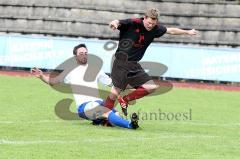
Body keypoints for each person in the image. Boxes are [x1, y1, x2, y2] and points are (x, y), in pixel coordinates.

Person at [105, 8, 198, 116]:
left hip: (134, 64)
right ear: (144, 18)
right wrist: (114, 23)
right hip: (121, 61)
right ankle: (104, 116)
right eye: (149, 22)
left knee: (150, 87)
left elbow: (171, 30)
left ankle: (125, 100)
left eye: (153, 24)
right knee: (115, 91)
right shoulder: (133, 23)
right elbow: (118, 22)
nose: (150, 25)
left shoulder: (155, 29)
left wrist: (188, 32)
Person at [31, 43, 139, 129]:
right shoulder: (70, 70)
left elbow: (113, 83)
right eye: (81, 53)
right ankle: (130, 125)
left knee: (117, 115)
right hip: (84, 106)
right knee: (107, 112)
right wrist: (41, 76)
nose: (84, 55)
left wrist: (134, 85)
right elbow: (54, 81)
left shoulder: (95, 69)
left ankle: (99, 121)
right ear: (75, 56)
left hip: (98, 102)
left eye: (85, 53)